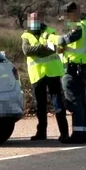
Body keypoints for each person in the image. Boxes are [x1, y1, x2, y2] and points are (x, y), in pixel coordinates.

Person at [49, 1, 86, 143]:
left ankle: (77, 134)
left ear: (73, 13)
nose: (65, 20)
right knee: (81, 102)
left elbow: (64, 40)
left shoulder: (79, 28)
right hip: (81, 67)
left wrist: (49, 38)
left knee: (74, 102)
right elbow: (72, 46)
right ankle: (85, 133)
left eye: (66, 16)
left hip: (73, 68)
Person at [21, 11, 69, 141]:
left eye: (37, 19)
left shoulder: (50, 31)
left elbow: (53, 48)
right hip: (37, 74)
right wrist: (43, 48)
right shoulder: (26, 35)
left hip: (52, 72)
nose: (35, 22)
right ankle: (41, 133)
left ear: (41, 19)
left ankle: (64, 133)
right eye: (32, 20)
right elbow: (26, 51)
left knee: (58, 105)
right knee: (40, 106)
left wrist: (37, 50)